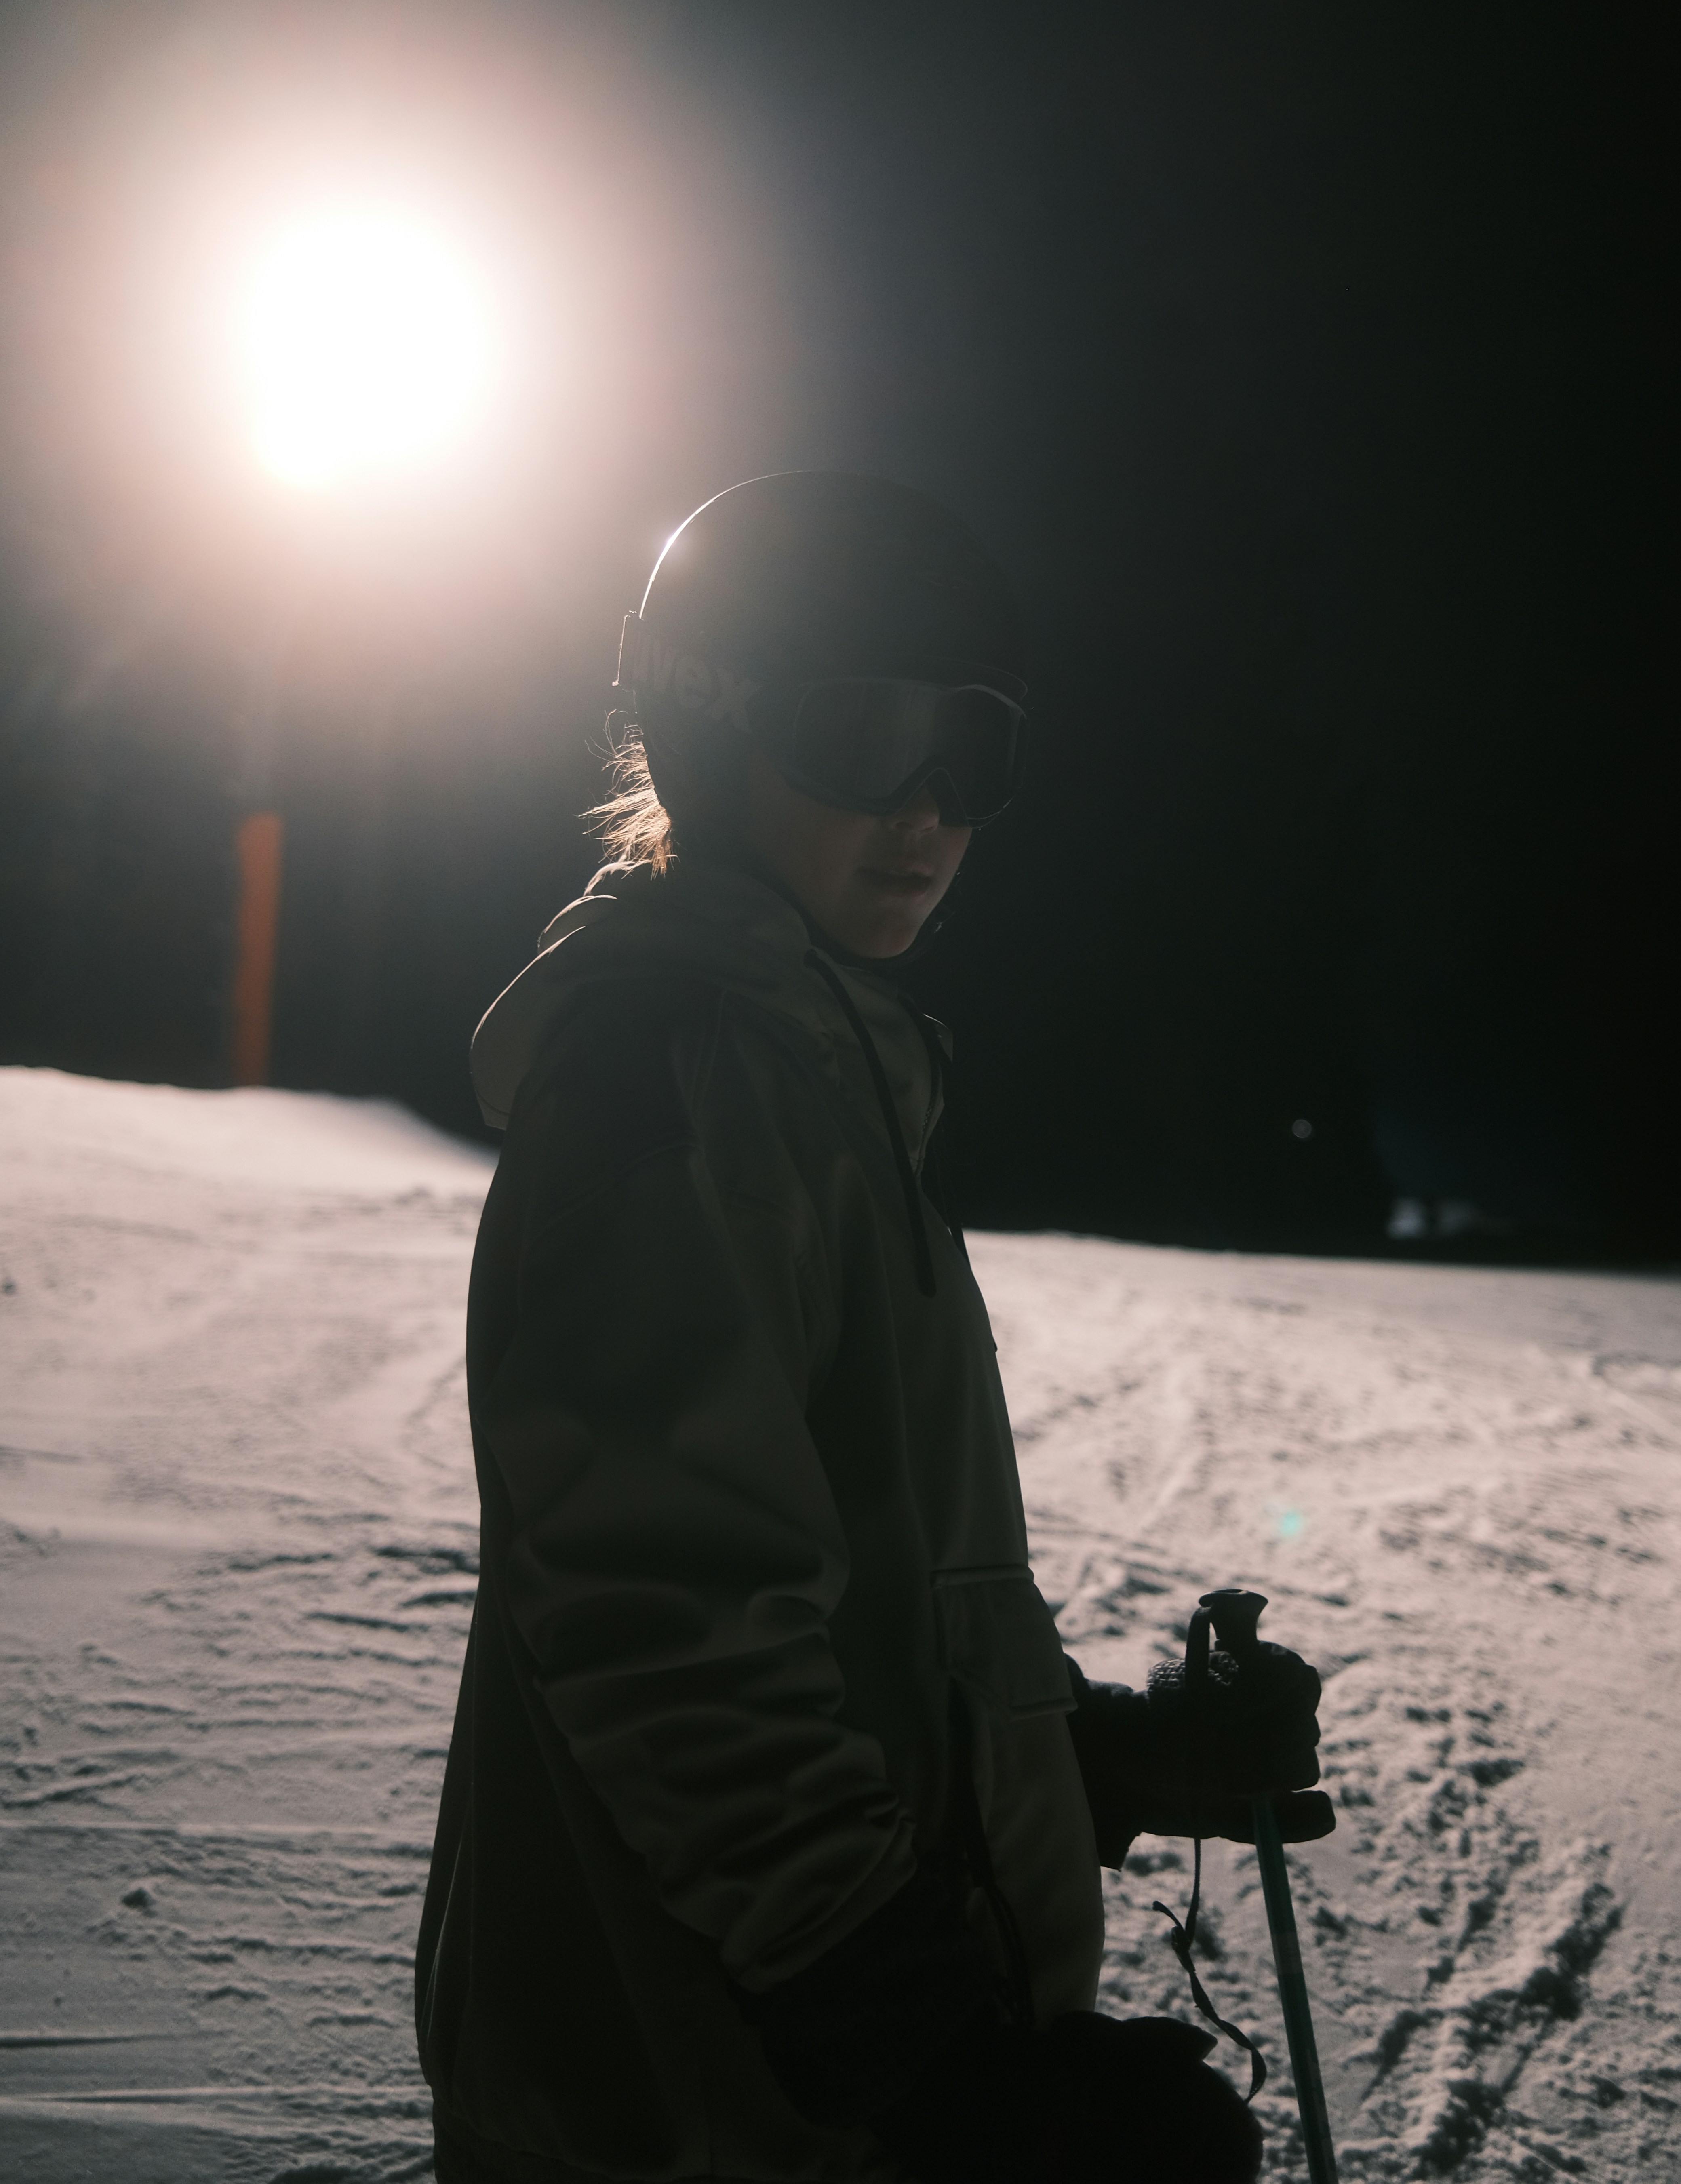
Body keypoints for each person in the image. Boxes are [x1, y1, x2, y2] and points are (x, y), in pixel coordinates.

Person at [415, 472, 1329, 2184]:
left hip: (784, 2098)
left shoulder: (814, 1072)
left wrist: (1099, 1757)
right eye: (862, 737)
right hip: (704, 2107)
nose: (924, 810)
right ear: (710, 733)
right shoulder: (679, 1084)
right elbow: (671, 1632)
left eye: (971, 754)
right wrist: (937, 2065)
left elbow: (872, 1612)